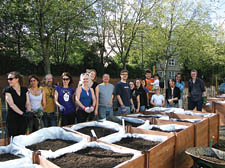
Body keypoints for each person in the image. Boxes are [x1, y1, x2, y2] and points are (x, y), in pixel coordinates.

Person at [3, 71, 32, 137]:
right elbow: (12, 105)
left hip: (23, 118)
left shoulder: (24, 90)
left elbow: (27, 103)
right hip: (12, 118)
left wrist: (29, 112)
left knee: (22, 137)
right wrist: (23, 114)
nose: (9, 81)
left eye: (10, 79)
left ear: (17, 79)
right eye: (8, 79)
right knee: (13, 137)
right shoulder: (7, 90)